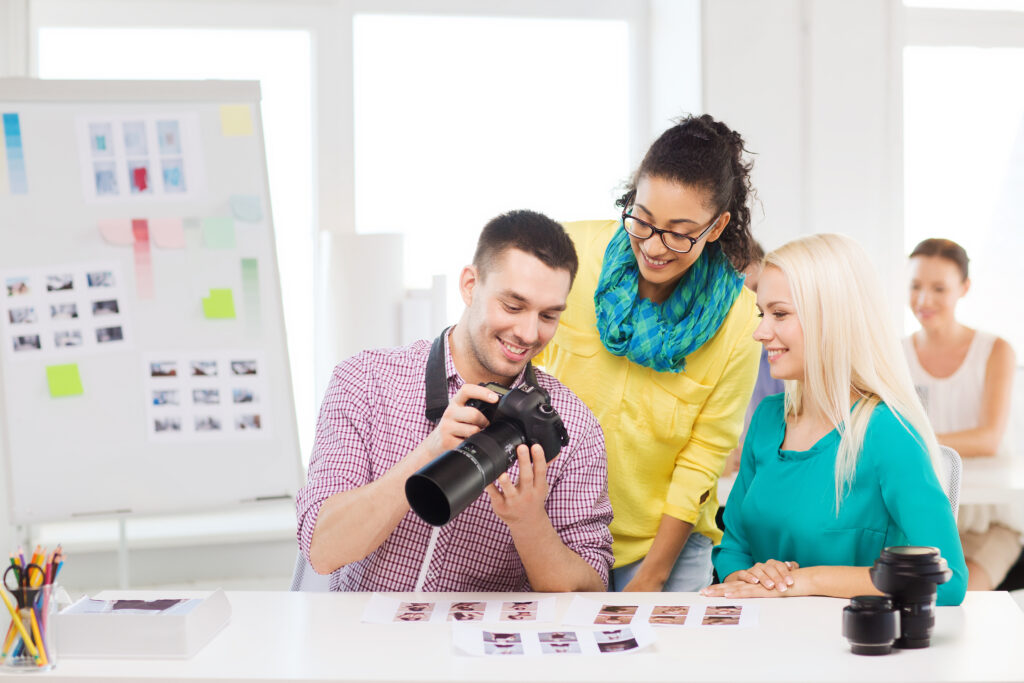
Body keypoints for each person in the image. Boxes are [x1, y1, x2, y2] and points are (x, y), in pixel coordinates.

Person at [296, 209, 614, 592]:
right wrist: (430, 451)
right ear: (469, 285)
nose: (529, 333)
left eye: (548, 316)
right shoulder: (365, 381)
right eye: (513, 307)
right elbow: (323, 550)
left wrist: (530, 524)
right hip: (363, 629)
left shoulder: (572, 428)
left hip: (485, 633)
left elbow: (591, 592)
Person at [536, 114, 762, 591]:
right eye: (642, 219)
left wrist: (652, 577)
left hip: (664, 548)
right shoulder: (569, 253)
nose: (654, 247)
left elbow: (703, 457)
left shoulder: (740, 321)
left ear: (717, 226)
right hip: (554, 527)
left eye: (680, 232)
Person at [704, 234, 967, 606]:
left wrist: (804, 580)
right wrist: (749, 577)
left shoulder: (888, 431)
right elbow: (733, 549)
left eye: (780, 314)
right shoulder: (766, 419)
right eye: (762, 314)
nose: (760, 332)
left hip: (851, 638)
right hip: (762, 633)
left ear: (831, 319)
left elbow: (948, 579)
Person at [903, 238, 1020, 591]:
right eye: (915, 286)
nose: (924, 300)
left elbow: (988, 439)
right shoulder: (896, 354)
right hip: (926, 520)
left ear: (964, 288)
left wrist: (916, 442)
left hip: (989, 522)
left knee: (956, 596)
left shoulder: (995, 350)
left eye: (939, 288)